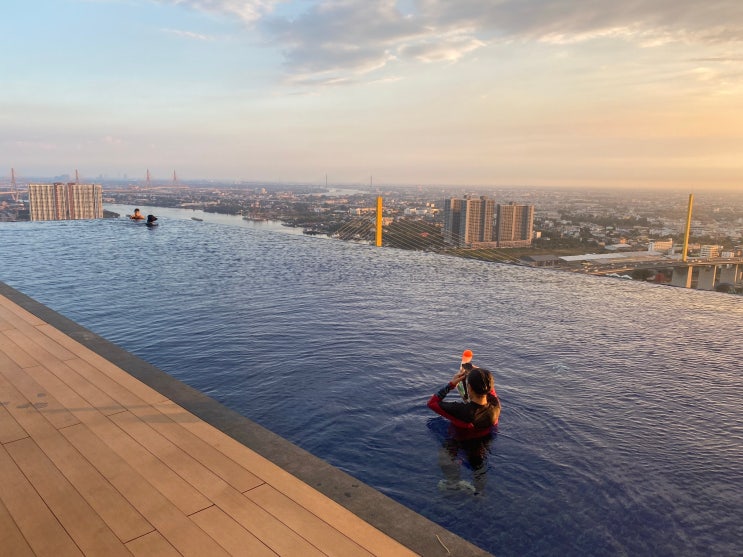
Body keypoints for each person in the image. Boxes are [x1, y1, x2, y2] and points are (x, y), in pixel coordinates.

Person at [427, 364, 501, 494]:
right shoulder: (495, 406)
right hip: (484, 441)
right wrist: (477, 372)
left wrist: (452, 384)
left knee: (444, 457)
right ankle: (479, 492)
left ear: (469, 388)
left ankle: (453, 483)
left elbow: (432, 403)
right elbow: (491, 391)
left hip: (460, 440)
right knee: (479, 466)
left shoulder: (461, 411)